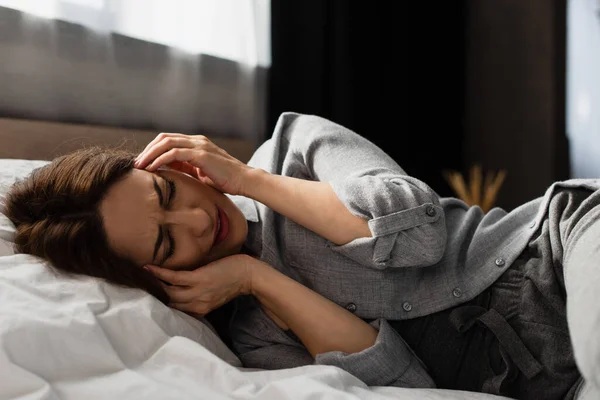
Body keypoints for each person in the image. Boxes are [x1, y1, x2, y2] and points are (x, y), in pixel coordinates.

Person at [3, 112, 599, 400]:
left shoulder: (295, 146)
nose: (195, 219)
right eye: (167, 241)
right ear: (156, 275)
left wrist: (248, 179)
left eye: (169, 192)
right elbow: (407, 386)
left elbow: (418, 231)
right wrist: (255, 276)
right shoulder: (256, 336)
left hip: (562, 254)